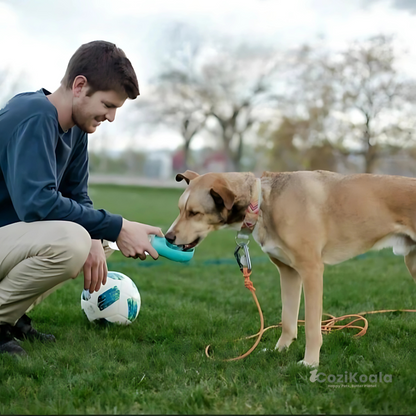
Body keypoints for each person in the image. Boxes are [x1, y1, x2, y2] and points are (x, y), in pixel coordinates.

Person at [0, 40, 163, 356]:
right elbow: (38, 203)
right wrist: (117, 226)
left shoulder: (75, 128)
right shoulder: (34, 115)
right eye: (108, 105)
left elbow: (78, 195)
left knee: (96, 242)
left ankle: (12, 316)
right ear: (79, 86)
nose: (111, 117)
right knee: (74, 240)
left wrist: (100, 235)